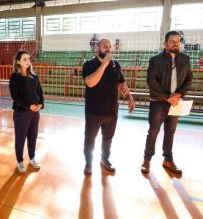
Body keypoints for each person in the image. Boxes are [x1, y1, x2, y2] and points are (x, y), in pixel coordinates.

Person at [141, 31, 193, 175]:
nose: (175, 44)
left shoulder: (185, 59)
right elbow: (152, 81)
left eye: (178, 41)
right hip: (159, 102)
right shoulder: (155, 60)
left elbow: (189, 80)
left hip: (176, 102)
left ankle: (168, 160)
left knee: (170, 132)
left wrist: (178, 94)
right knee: (153, 132)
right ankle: (146, 160)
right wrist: (167, 97)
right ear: (165, 43)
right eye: (172, 41)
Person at [82, 39, 135, 175]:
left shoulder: (115, 65)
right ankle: (88, 163)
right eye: (104, 46)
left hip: (111, 111)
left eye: (109, 46)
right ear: (97, 49)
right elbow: (90, 83)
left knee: (108, 138)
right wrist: (104, 65)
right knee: (90, 139)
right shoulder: (89, 64)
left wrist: (130, 97)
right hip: (94, 111)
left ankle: (104, 160)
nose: (108, 48)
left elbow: (121, 83)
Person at [9, 50, 44, 173]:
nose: (28, 61)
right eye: (24, 59)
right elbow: (15, 96)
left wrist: (41, 104)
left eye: (28, 59)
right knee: (20, 138)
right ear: (18, 61)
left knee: (33, 136)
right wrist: (28, 106)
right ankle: (19, 161)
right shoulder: (15, 77)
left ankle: (32, 158)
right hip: (21, 112)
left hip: (35, 113)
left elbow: (40, 92)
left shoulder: (34, 76)